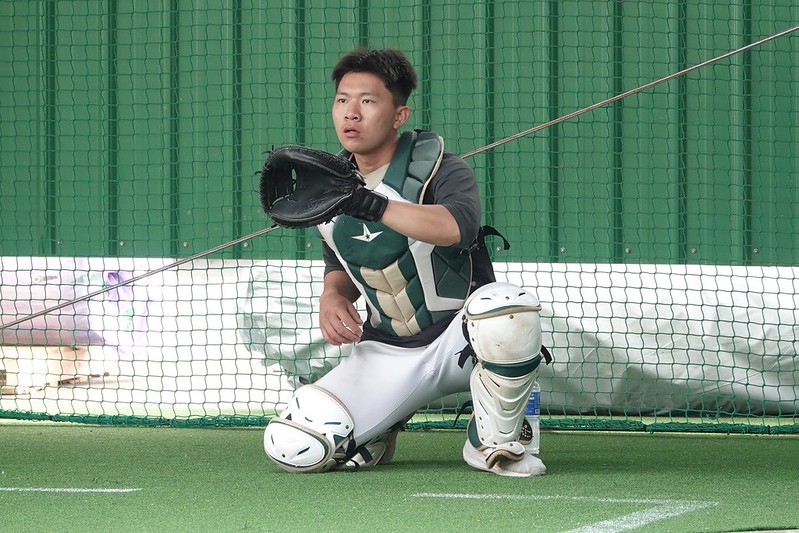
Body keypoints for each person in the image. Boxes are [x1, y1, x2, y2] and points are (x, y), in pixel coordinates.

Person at [263, 47, 547, 477]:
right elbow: (342, 259)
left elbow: (458, 227)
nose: (351, 113)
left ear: (399, 115)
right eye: (342, 100)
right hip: (387, 349)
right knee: (295, 447)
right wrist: (332, 295)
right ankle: (383, 425)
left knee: (507, 308)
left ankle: (493, 441)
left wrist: (372, 204)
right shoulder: (329, 184)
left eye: (368, 101)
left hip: (463, 340)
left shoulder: (441, 169)